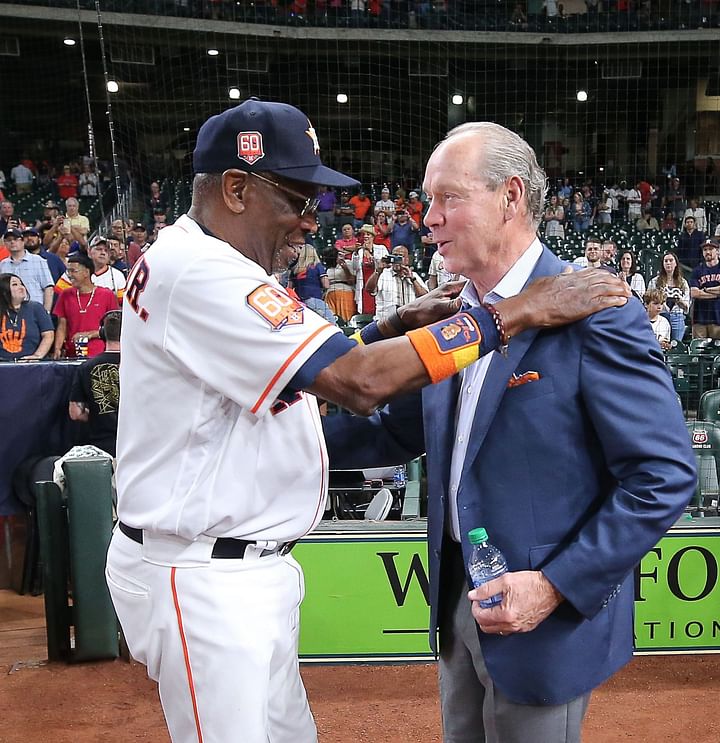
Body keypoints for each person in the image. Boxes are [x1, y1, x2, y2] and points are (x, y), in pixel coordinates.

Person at [105, 99, 632, 743]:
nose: (309, 222)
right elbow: (357, 382)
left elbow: (319, 365)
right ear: (236, 188)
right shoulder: (205, 272)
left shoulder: (199, 260)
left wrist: (387, 327)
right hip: (203, 574)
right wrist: (513, 314)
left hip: (232, 565)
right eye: (297, 199)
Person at [324, 121, 694, 743]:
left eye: (448, 198)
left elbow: (663, 475)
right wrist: (277, 440)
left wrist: (554, 587)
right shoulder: (455, 315)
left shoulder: (594, 309)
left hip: (539, 619)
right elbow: (393, 435)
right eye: (427, 200)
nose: (428, 217)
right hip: (459, 605)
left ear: (511, 197)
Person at [68, 310, 122, 456]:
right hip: (137, 445)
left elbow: (75, 413)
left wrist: (99, 415)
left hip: (103, 448)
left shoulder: (86, 368)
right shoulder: (142, 364)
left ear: (103, 334)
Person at [52, 253, 119, 359]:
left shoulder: (106, 294)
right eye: (68, 271)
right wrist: (57, 349)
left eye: (73, 271)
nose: (69, 275)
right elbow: (62, 326)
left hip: (99, 354)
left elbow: (114, 326)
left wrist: (90, 334)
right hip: (72, 354)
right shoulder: (65, 294)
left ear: (86, 272)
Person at [364, 244, 429, 320]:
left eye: (400, 256)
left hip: (409, 321)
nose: (397, 260)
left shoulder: (413, 275)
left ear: (407, 260)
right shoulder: (383, 274)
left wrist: (412, 279)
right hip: (386, 322)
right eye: (394, 256)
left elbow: (425, 297)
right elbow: (369, 289)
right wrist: (378, 270)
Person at [0, 273, 54, 361]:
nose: (21, 287)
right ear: (4, 291)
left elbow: (48, 335)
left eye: (21, 284)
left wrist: (37, 356)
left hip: (31, 364)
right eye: (15, 284)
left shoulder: (36, 308)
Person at [690, 240, 720, 340]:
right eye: (705, 249)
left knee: (717, 352)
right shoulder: (697, 270)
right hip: (699, 318)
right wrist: (718, 292)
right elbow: (694, 293)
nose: (708, 252)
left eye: (711, 249)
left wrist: (705, 290)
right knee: (699, 351)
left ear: (718, 251)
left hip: (719, 317)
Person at [0, 228, 55, 311]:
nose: (12, 242)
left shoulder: (38, 260)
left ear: (22, 241)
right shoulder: (3, 264)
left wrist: (46, 312)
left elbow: (48, 288)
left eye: (15, 239)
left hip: (34, 310)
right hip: (9, 311)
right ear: (5, 244)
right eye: (8, 240)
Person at [648, 251, 690, 343]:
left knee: (675, 346)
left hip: (677, 317)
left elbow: (687, 307)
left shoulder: (683, 283)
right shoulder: (654, 282)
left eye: (671, 260)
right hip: (660, 316)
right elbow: (649, 300)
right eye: (666, 261)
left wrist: (680, 302)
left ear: (676, 264)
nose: (668, 263)